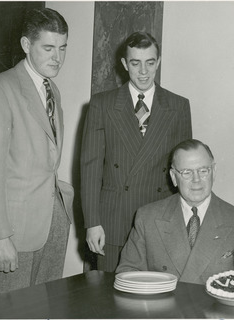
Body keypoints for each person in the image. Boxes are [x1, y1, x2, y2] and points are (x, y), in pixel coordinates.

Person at [0, 8, 73, 293]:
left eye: (62, 48)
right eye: (48, 48)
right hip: (15, 230)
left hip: (54, 222)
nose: (57, 57)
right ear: (26, 45)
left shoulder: (53, 90)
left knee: (46, 308)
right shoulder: (0, 88)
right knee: (14, 312)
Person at [80, 31, 192, 272]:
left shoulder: (178, 106)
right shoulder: (102, 104)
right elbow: (90, 168)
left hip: (160, 217)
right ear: (124, 64)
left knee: (156, 300)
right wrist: (92, 223)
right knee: (110, 298)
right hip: (113, 219)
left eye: (150, 63)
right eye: (135, 63)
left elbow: (185, 171)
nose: (143, 71)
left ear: (158, 62)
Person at [116, 139, 234, 284]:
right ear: (174, 177)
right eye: (187, 172)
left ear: (214, 172)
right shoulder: (147, 217)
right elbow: (128, 273)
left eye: (203, 171)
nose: (196, 179)